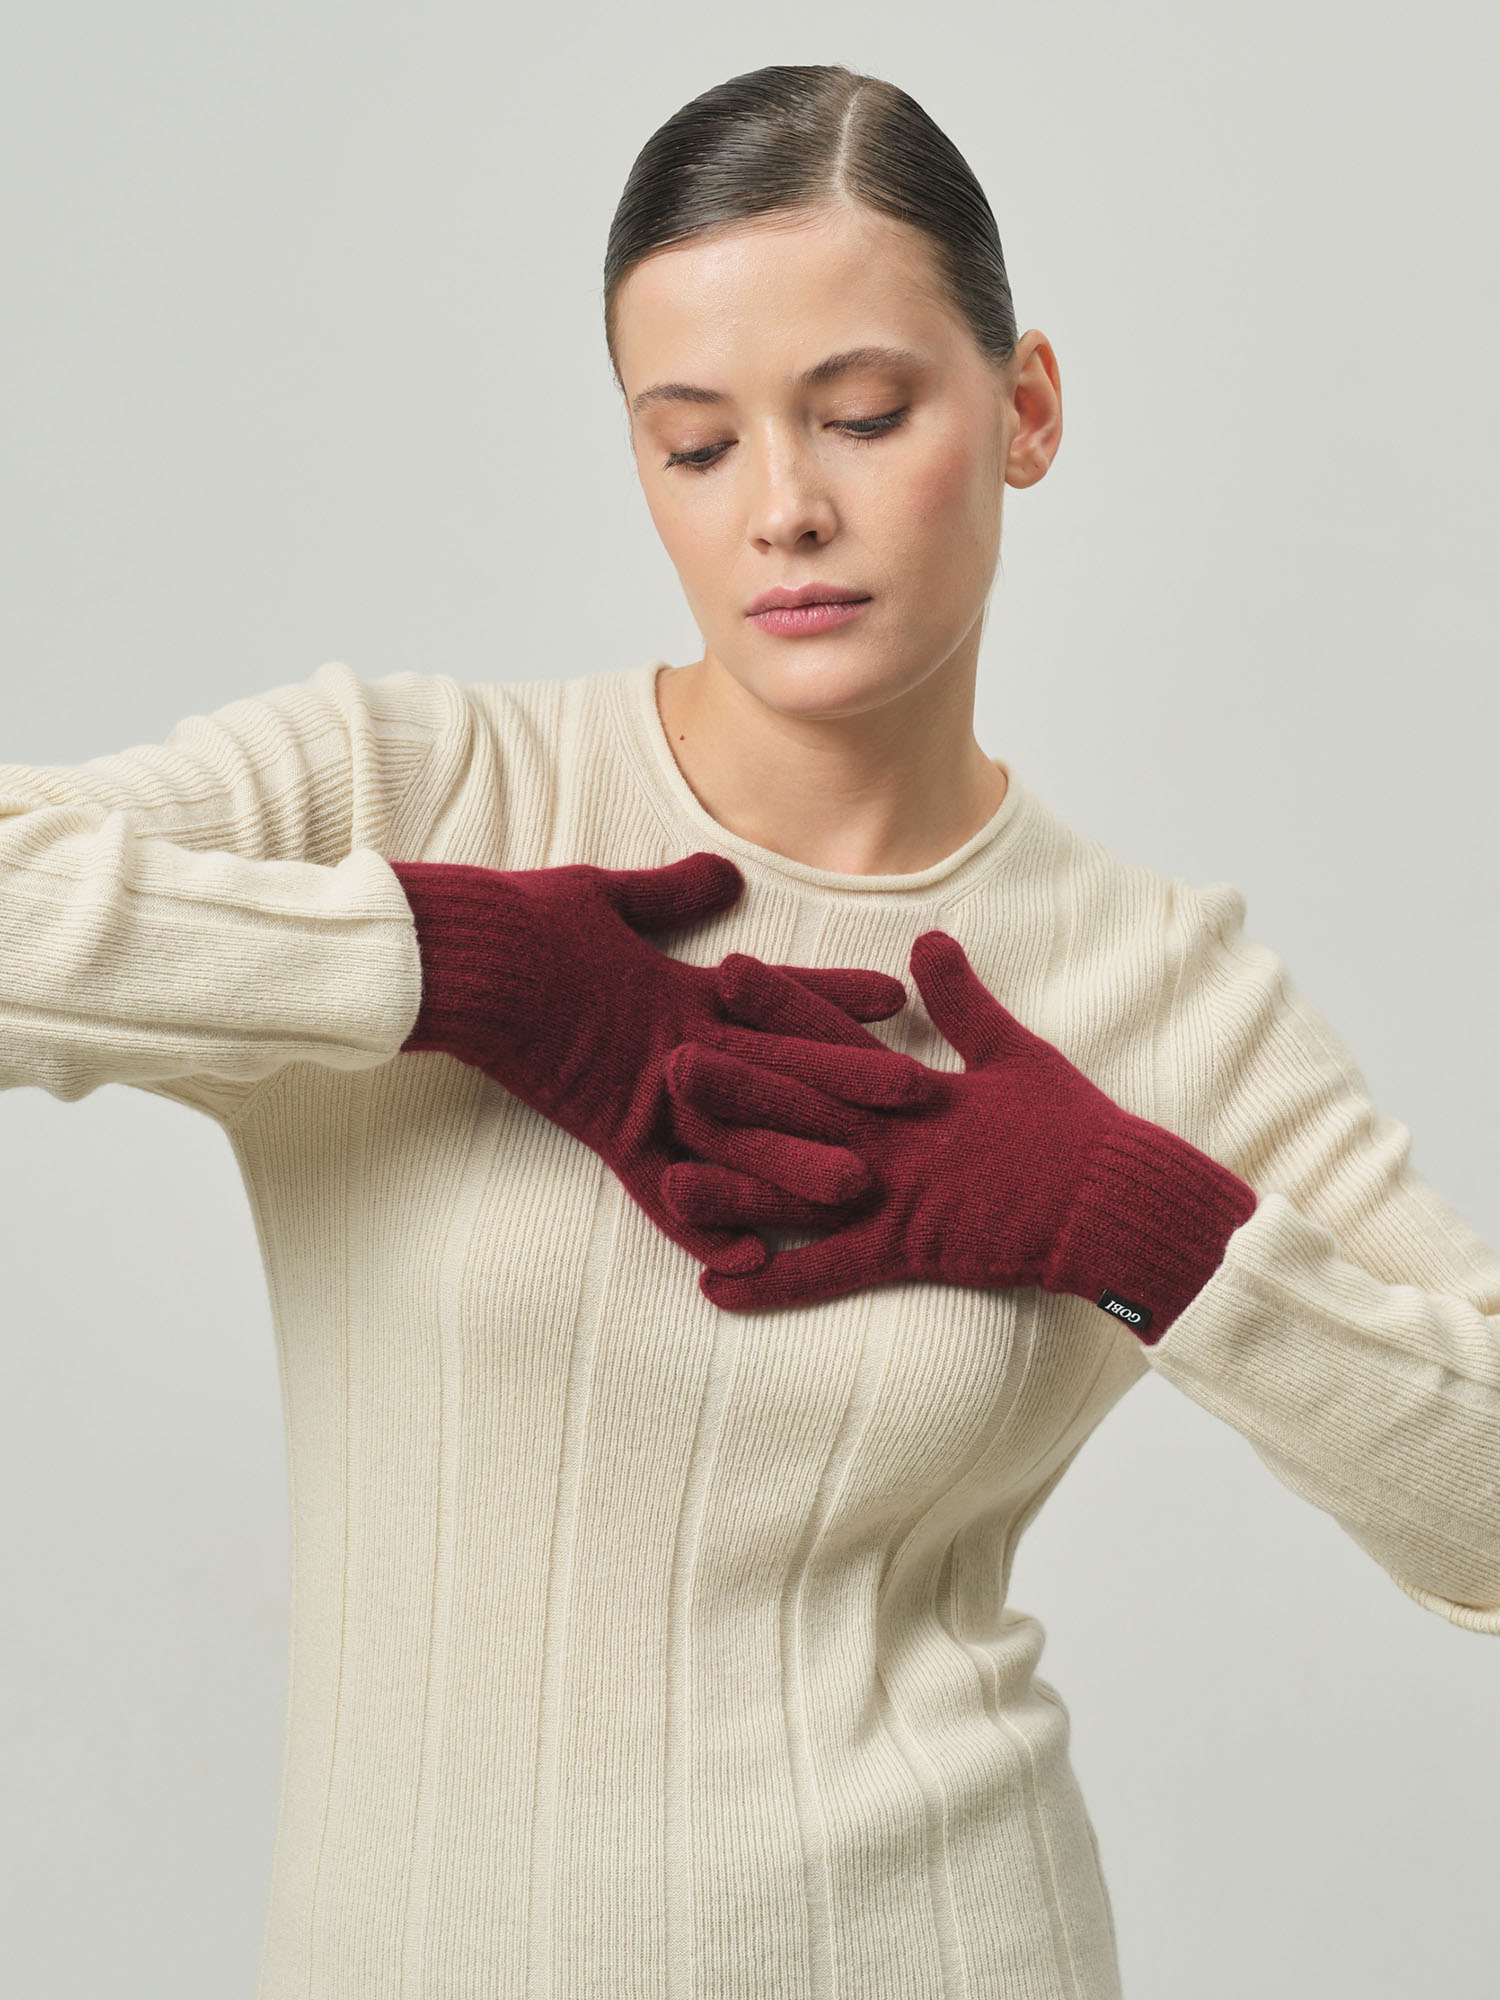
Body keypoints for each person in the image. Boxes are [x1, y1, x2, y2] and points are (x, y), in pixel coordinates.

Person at [3, 59, 1496, 2000]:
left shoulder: (1154, 985)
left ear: (1027, 408)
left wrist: (1140, 1226)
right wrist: (449, 962)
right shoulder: (420, 791)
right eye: (696, 446)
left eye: (862, 417)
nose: (785, 509)